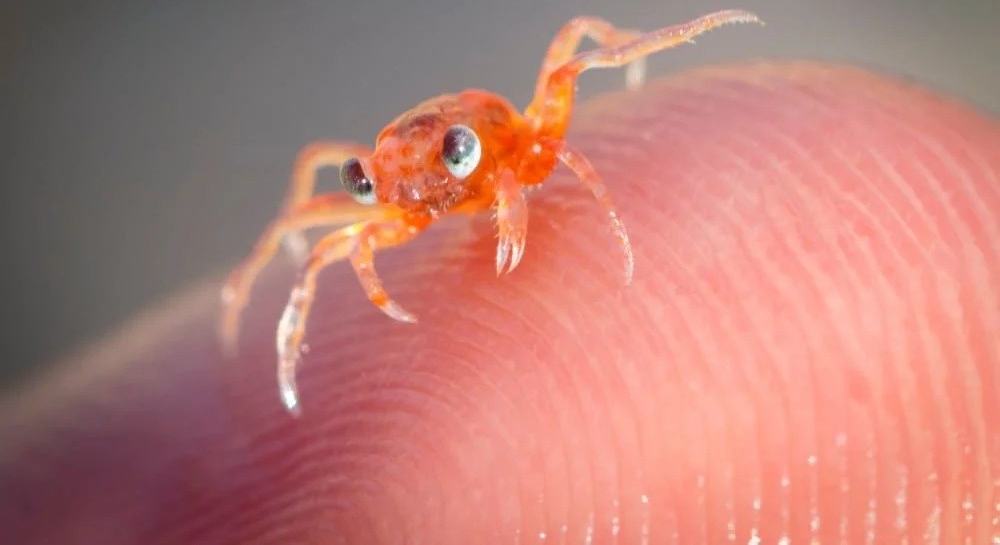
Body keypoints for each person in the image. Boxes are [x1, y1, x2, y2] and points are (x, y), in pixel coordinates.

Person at [2, 62, 998, 544]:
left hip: (487, 151)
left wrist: (564, 196)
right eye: (383, 184)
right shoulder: (389, 192)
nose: (410, 198)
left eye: (447, 170)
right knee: (314, 248)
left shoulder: (515, 148)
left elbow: (573, 58)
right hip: (425, 163)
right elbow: (336, 196)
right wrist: (312, 241)